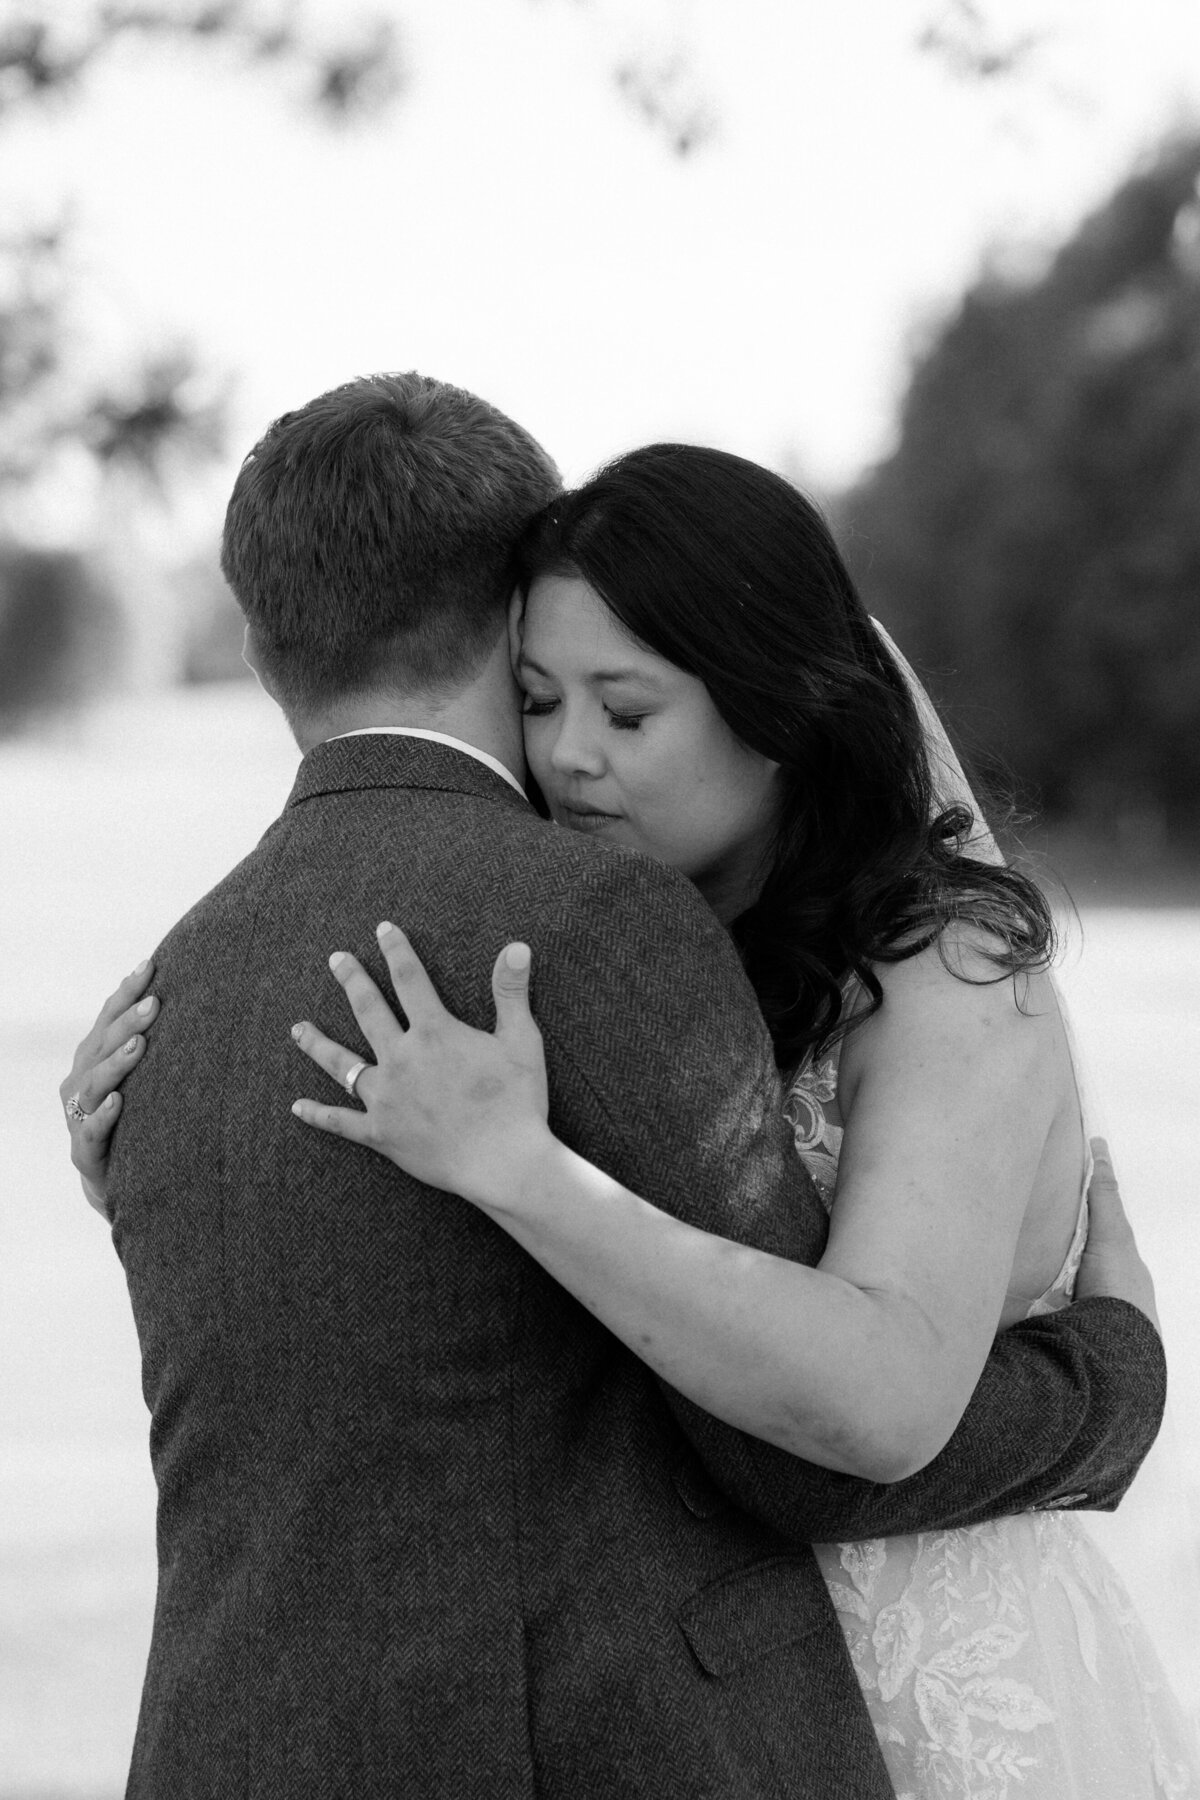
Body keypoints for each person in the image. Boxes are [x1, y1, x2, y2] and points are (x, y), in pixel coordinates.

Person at [61, 378, 1167, 1800]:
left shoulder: (941, 969)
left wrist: (1118, 1372)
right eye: (538, 698)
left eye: (625, 709)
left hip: (936, 1671)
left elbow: (846, 1415)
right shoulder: (602, 930)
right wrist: (1108, 1387)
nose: (571, 755)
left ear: (774, 712)